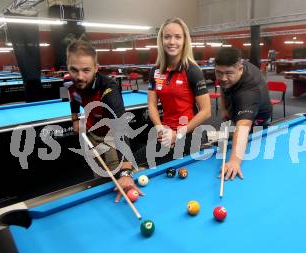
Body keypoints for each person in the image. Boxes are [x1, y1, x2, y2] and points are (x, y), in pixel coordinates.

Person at [66, 38, 143, 202]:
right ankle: (102, 194)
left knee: (117, 172)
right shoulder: (69, 82)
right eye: (74, 70)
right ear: (68, 68)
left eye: (86, 70)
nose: (79, 76)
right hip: (91, 132)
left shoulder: (109, 88)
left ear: (96, 68)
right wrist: (74, 120)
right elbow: (73, 98)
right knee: (100, 172)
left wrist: (126, 172)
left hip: (111, 135)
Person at [139, 18, 211, 167]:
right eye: (167, 37)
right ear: (161, 40)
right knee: (137, 160)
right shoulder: (155, 71)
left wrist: (178, 134)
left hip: (190, 135)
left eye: (177, 37)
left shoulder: (193, 71)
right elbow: (152, 105)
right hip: (166, 134)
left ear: (185, 40)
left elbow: (206, 111)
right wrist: (160, 128)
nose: (172, 42)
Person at [214, 47, 272, 180]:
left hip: (258, 118)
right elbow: (224, 86)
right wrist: (224, 108)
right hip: (237, 101)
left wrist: (234, 161)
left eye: (228, 73)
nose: (223, 78)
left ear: (240, 69)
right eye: (218, 72)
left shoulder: (249, 91)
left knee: (248, 135)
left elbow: (244, 125)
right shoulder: (232, 68)